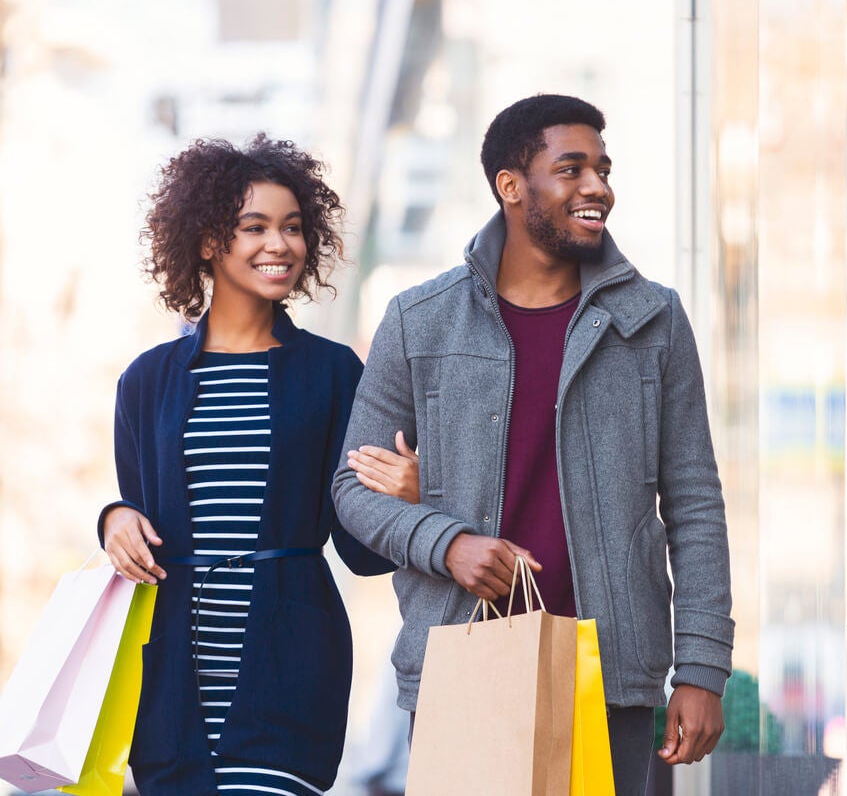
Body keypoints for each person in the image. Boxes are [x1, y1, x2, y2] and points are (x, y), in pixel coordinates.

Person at [332, 94, 735, 794]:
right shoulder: (420, 320)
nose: (597, 187)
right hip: (465, 667)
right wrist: (447, 542)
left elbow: (696, 503)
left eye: (603, 169)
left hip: (614, 677)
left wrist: (701, 668)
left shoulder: (653, 319)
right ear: (511, 186)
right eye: (571, 168)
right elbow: (351, 491)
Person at [98, 135, 418, 796]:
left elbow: (360, 548)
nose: (281, 244)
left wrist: (404, 499)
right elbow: (141, 522)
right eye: (256, 227)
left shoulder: (333, 374)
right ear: (209, 240)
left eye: (294, 228)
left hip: (288, 671)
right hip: (171, 687)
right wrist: (113, 518)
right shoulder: (146, 381)